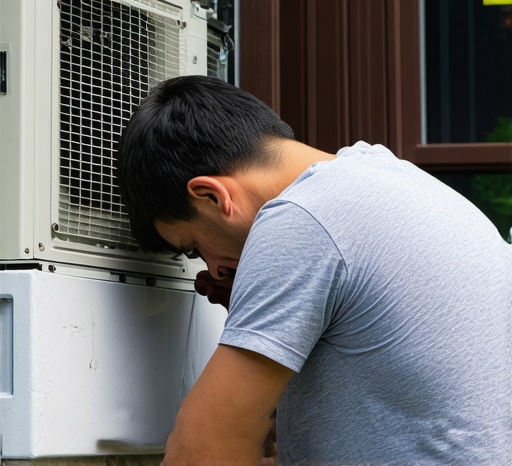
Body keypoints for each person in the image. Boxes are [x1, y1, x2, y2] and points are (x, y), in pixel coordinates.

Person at [117, 75, 512, 466]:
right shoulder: (398, 180)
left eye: (195, 248)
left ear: (211, 195)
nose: (213, 269)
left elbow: (200, 453)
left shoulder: (302, 219)